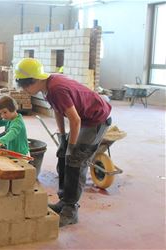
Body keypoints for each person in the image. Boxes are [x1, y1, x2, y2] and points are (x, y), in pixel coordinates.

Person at [14, 58, 112, 227]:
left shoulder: (56, 88)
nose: (24, 90)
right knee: (62, 155)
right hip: (84, 119)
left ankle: (71, 210)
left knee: (75, 161)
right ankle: (64, 201)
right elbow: (58, 111)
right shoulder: (47, 88)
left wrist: (72, 147)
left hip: (96, 119)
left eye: (25, 86)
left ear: (35, 80)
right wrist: (62, 139)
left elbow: (75, 120)